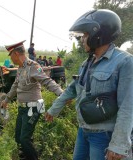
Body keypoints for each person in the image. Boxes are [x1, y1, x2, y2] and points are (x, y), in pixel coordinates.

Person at [45, 9, 133, 160]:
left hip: (103, 135)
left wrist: (118, 144)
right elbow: (73, 88)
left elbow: (128, 106)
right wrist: (54, 109)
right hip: (83, 130)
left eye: (85, 35)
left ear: (98, 34)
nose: (82, 39)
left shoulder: (124, 62)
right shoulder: (87, 63)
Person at [2, 40, 63, 160]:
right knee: (18, 138)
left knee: (24, 139)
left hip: (34, 107)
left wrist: (61, 94)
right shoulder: (20, 68)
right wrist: (6, 99)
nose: (11, 58)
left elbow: (46, 80)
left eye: (11, 55)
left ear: (16, 54)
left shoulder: (33, 66)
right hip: (23, 108)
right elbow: (15, 85)